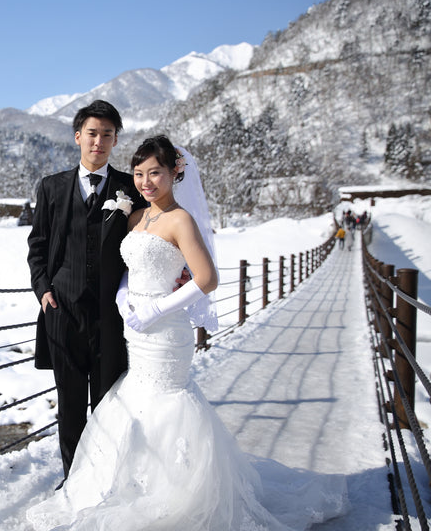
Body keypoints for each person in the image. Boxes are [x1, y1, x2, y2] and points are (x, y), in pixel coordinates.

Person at [27, 135, 348, 530]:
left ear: (174, 173)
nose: (146, 182)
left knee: (168, 403)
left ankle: (176, 494)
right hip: (136, 329)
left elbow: (208, 278)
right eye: (141, 174)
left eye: (155, 173)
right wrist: (126, 301)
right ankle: (133, 485)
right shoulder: (136, 217)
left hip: (166, 332)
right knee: (135, 400)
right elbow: (128, 267)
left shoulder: (181, 219)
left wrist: (157, 309)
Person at [27, 99, 145, 478]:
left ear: (114, 140)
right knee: (71, 403)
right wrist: (43, 289)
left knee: (111, 402)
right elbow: (38, 246)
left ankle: (108, 477)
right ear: (78, 136)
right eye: (92, 133)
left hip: (113, 315)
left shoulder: (130, 187)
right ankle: (73, 479)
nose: (99, 141)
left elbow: (147, 239)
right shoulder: (51, 187)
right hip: (62, 312)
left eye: (107, 135)